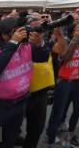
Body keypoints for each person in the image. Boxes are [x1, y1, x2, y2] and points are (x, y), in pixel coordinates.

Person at [0, 17, 50, 148]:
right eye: (16, 31)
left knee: (9, 140)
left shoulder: (25, 46)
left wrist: (39, 44)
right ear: (4, 35)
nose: (21, 34)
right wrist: (13, 43)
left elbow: (43, 57)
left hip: (19, 103)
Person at [46, 23, 79, 148]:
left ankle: (70, 135)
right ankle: (51, 138)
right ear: (72, 32)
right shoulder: (66, 42)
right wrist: (75, 40)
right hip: (65, 82)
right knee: (58, 111)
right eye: (78, 29)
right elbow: (65, 57)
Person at [23, 14, 56, 148]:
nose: (41, 23)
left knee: (36, 128)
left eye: (42, 22)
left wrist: (39, 43)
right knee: (9, 130)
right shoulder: (17, 40)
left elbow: (44, 55)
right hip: (20, 91)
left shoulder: (43, 41)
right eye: (37, 21)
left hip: (40, 90)